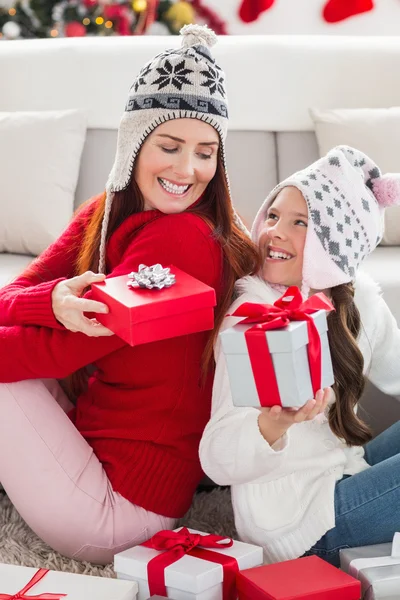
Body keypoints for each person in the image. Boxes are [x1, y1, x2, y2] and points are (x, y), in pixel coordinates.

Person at [0, 25, 259, 564]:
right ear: (134, 141)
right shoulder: (106, 212)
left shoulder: (184, 238)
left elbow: (63, 349)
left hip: (121, 511)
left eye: (206, 152)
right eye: (169, 145)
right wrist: (49, 303)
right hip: (92, 447)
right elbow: (17, 292)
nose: (186, 170)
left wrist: (49, 313)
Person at [199, 145, 400, 568]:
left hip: (344, 473)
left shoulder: (357, 298)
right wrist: (271, 425)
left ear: (336, 244)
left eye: (300, 223)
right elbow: (216, 457)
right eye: (272, 216)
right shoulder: (254, 320)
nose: (275, 232)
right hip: (298, 524)